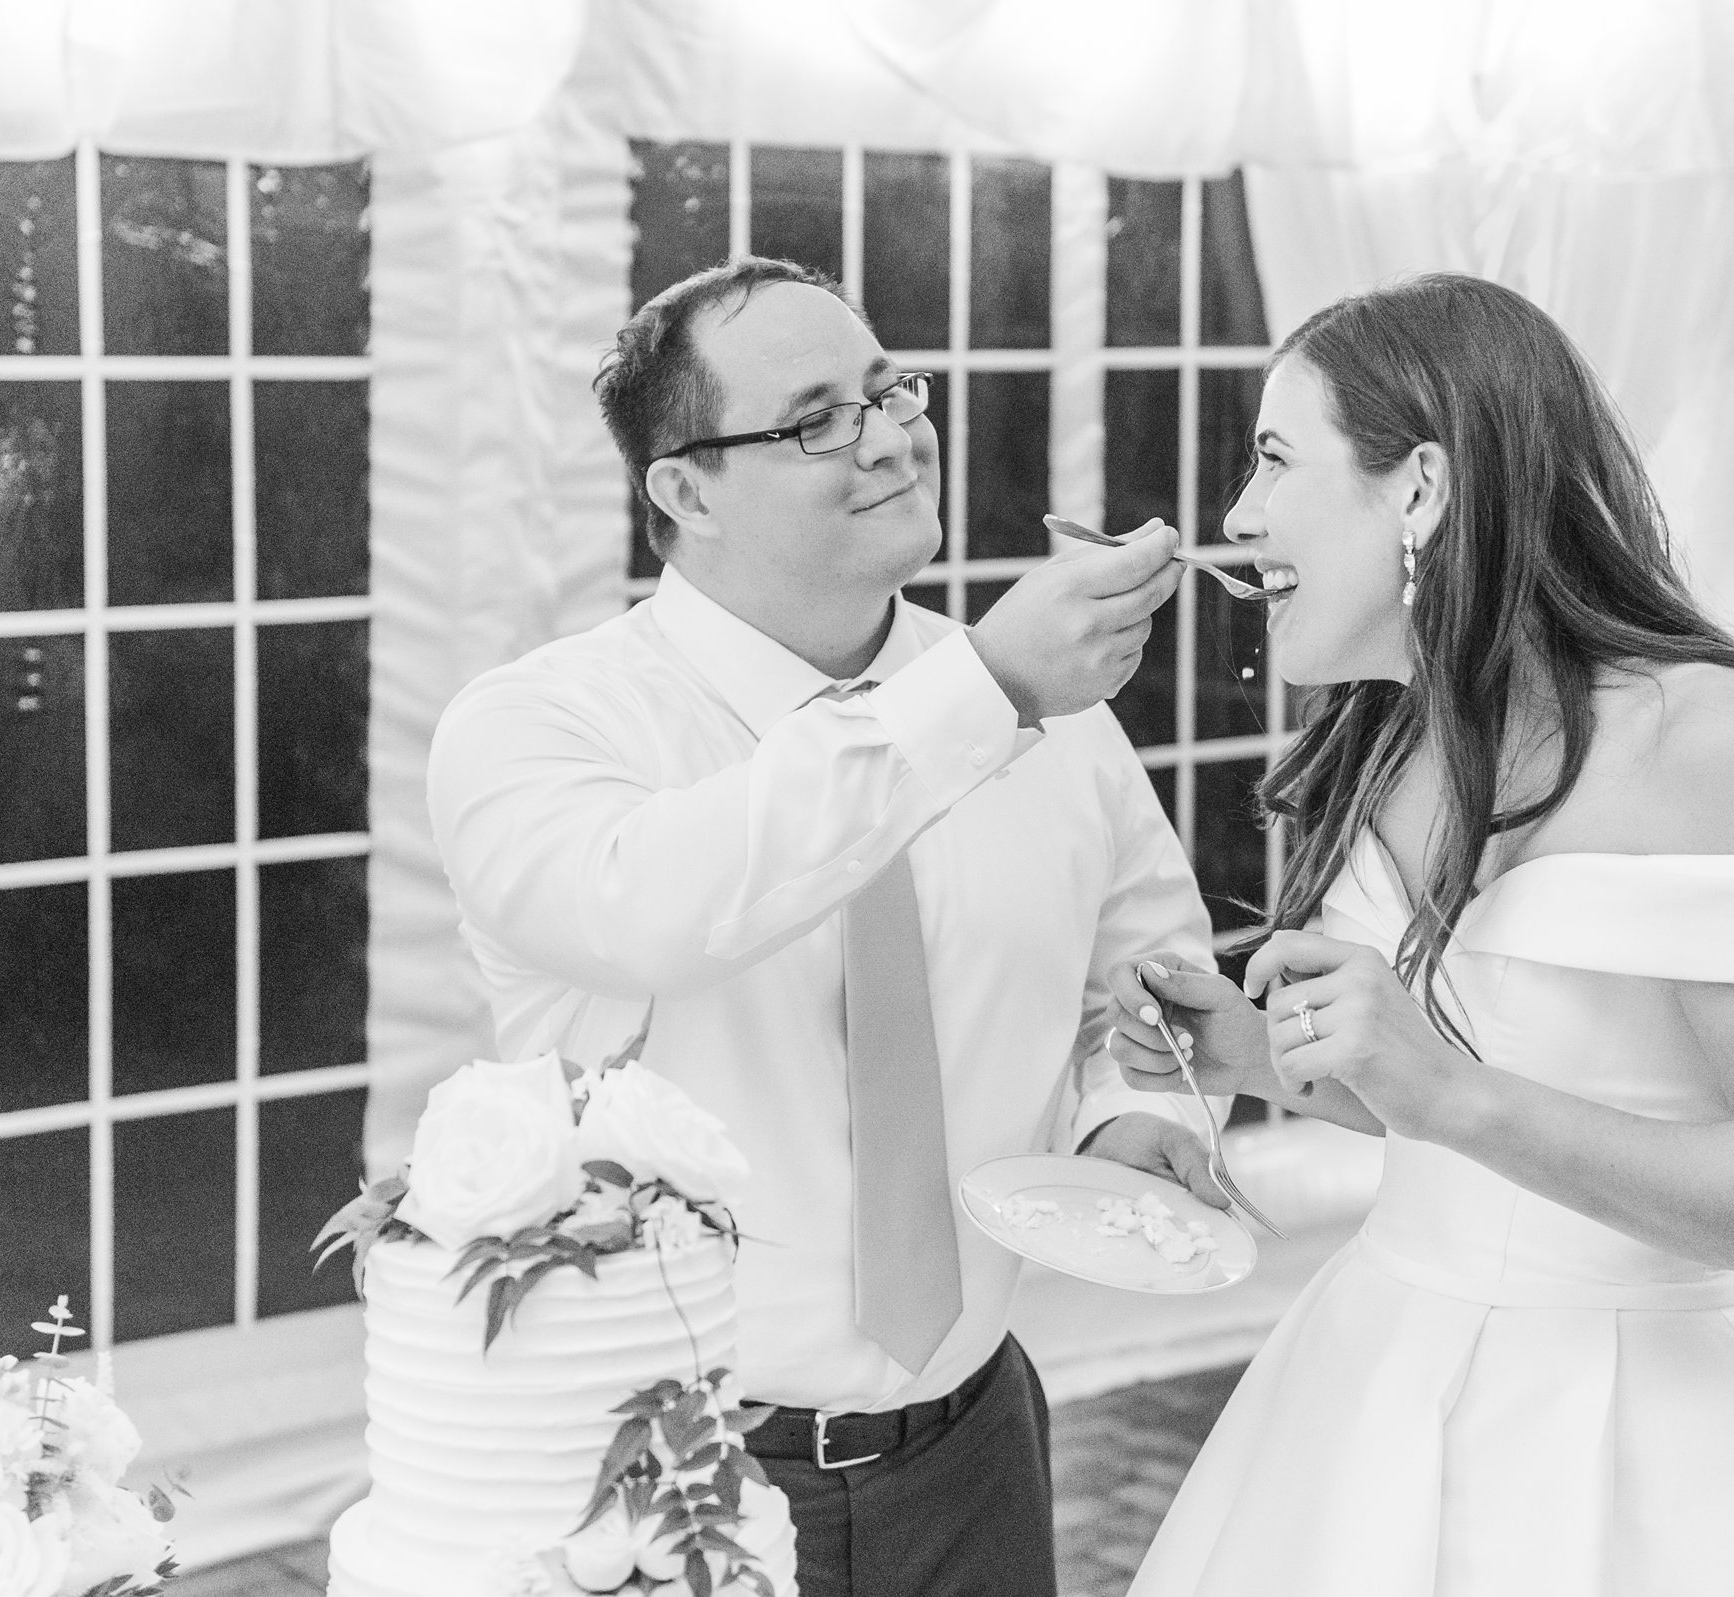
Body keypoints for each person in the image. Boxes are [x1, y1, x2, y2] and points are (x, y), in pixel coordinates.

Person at [1108, 274, 1734, 1595]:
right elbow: (1405, 1096)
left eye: (1274, 458)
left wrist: (1455, 1093)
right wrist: (1226, 1041)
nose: (1238, 516)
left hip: (1658, 1448)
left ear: (1418, 489)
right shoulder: (1379, 724)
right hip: (1373, 1393)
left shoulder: (1713, 742)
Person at [426, 255, 1224, 1597]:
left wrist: (1138, 1118)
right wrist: (982, 690)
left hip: (977, 1449)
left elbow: (1151, 967)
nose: (892, 433)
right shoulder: (536, 725)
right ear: (682, 490)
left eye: (889, 388)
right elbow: (669, 909)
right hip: (658, 1480)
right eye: (815, 419)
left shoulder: (1047, 714)